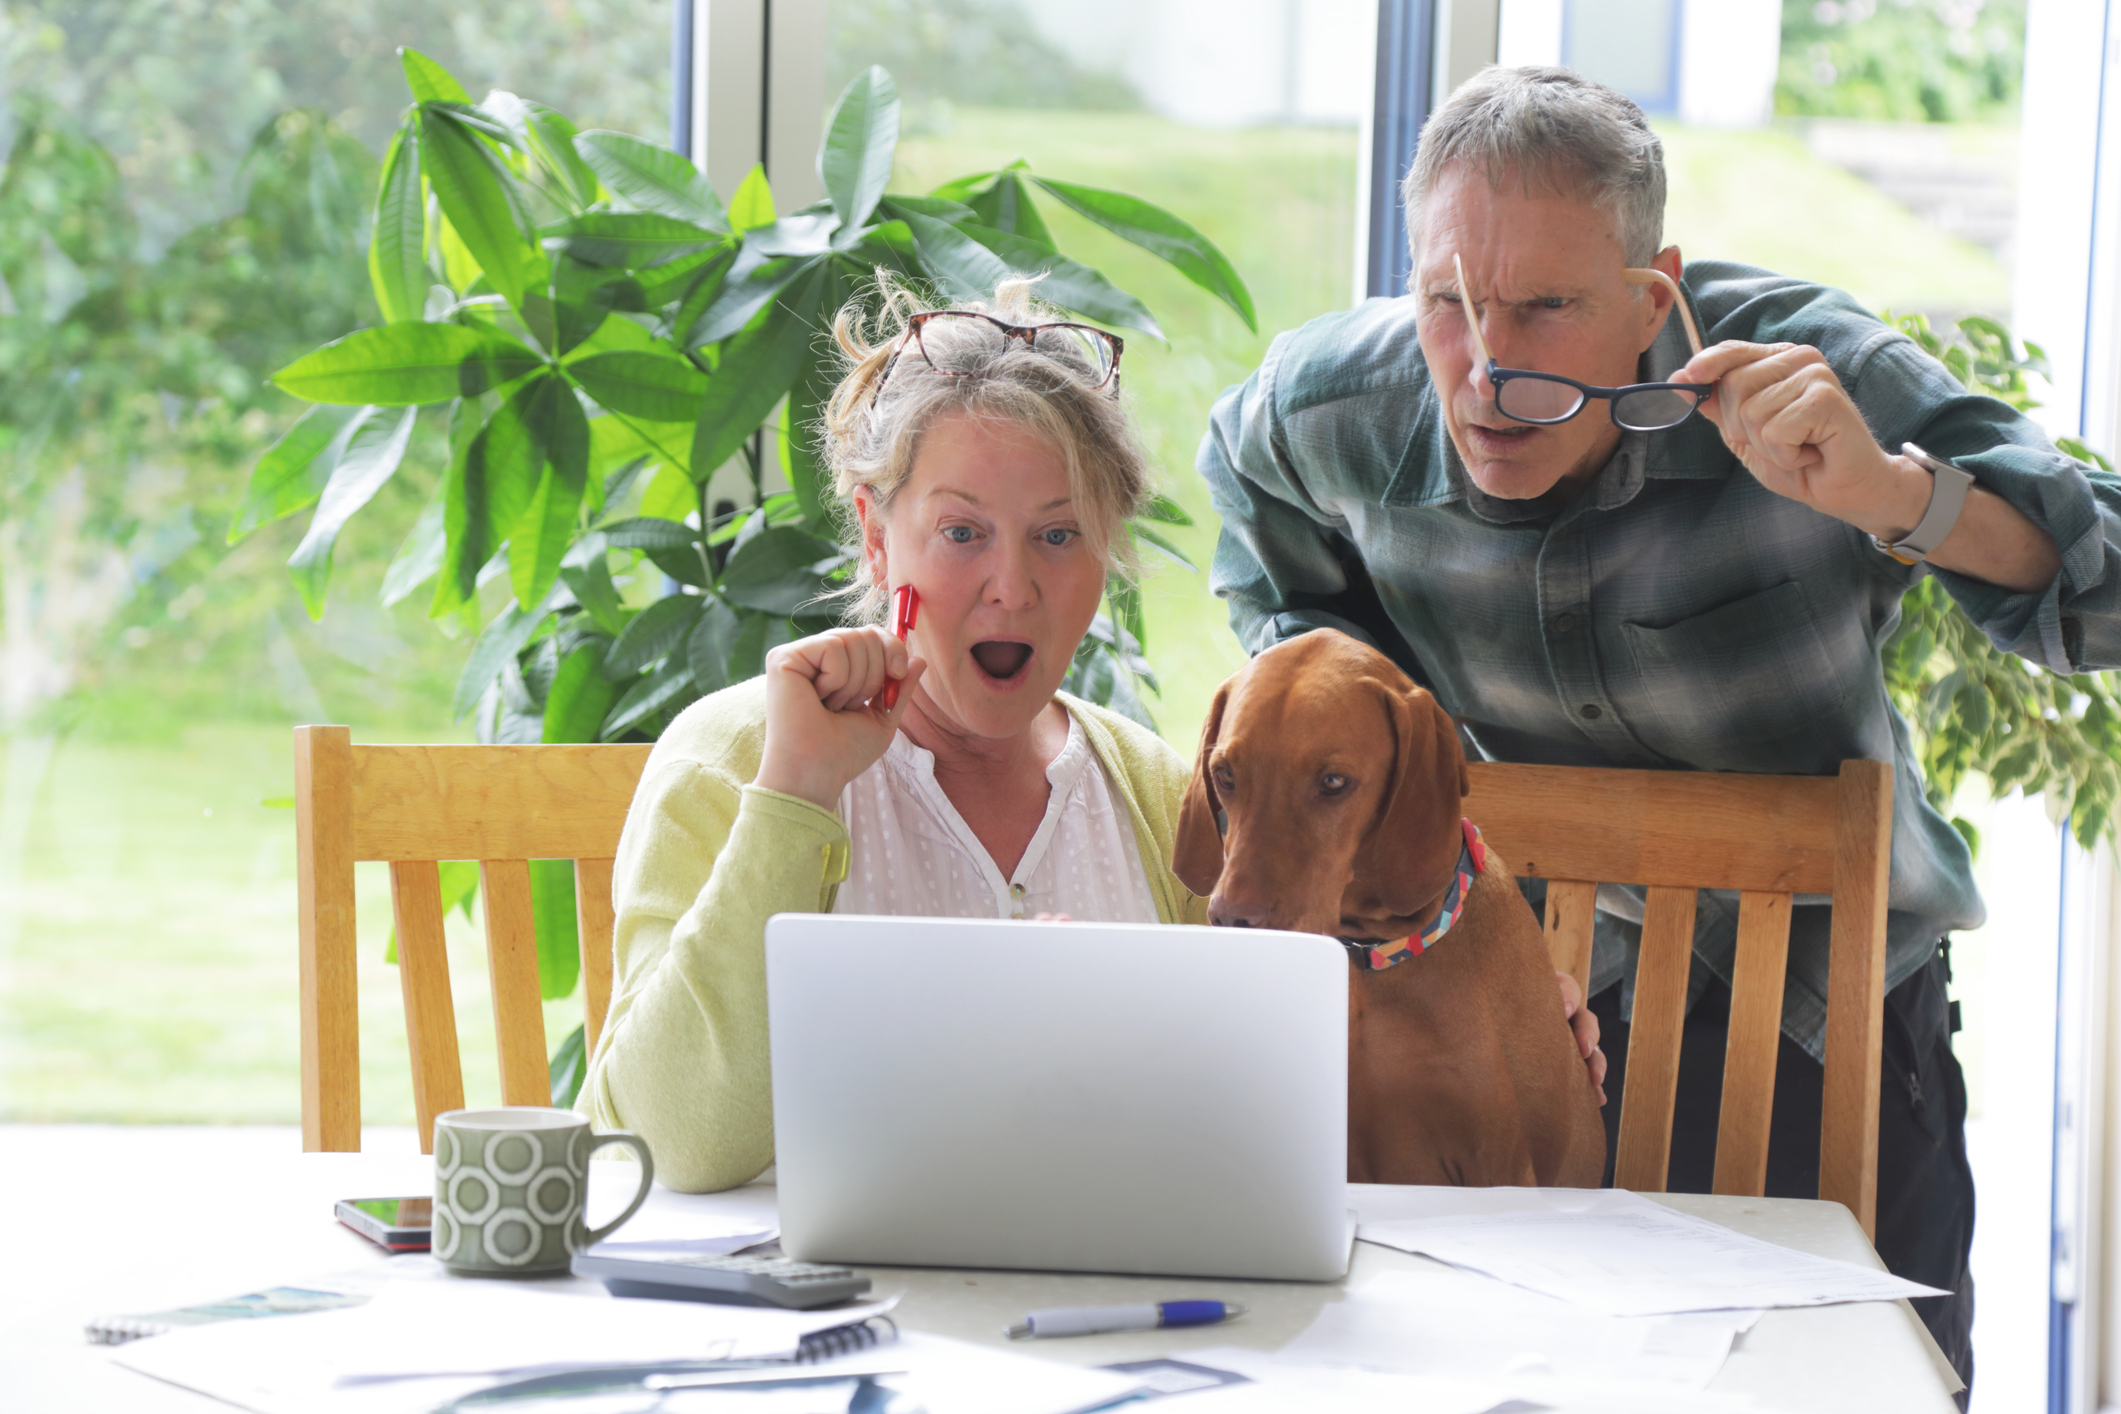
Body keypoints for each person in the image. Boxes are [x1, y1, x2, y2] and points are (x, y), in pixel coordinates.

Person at [1199, 65, 2121, 1394]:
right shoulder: (1325, 411)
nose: (1488, 368)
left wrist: (1893, 492)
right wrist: (1421, 786)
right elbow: (1259, 547)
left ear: (1653, 291)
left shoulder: (1812, 370)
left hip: (1838, 1018)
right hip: (1553, 1005)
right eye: (1448, 303)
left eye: (1546, 308)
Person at [582, 279, 1211, 1195]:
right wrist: (792, 798)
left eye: (1057, 535)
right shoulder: (729, 760)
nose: (1013, 586)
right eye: (961, 531)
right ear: (878, 541)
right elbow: (668, 1144)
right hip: (816, 1318)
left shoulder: (1152, 793)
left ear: (1107, 550)